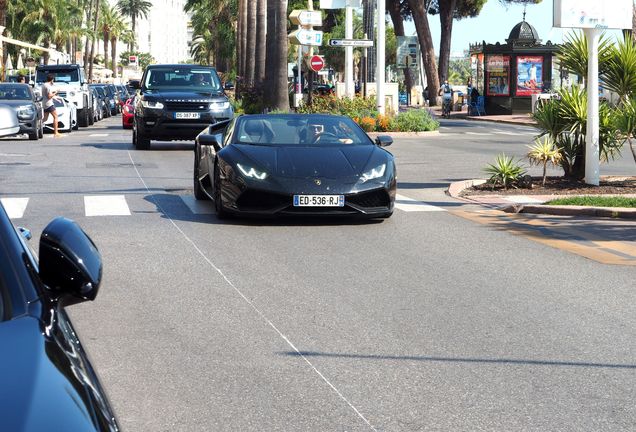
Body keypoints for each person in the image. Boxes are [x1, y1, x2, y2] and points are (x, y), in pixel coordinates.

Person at [42, 73, 62, 137]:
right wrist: (56, 92)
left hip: (45, 103)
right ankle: (56, 132)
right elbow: (49, 96)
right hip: (49, 104)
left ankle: (37, 126)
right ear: (52, 80)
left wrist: (56, 99)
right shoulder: (48, 86)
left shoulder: (44, 85)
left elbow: (47, 95)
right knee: (56, 117)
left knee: (45, 119)